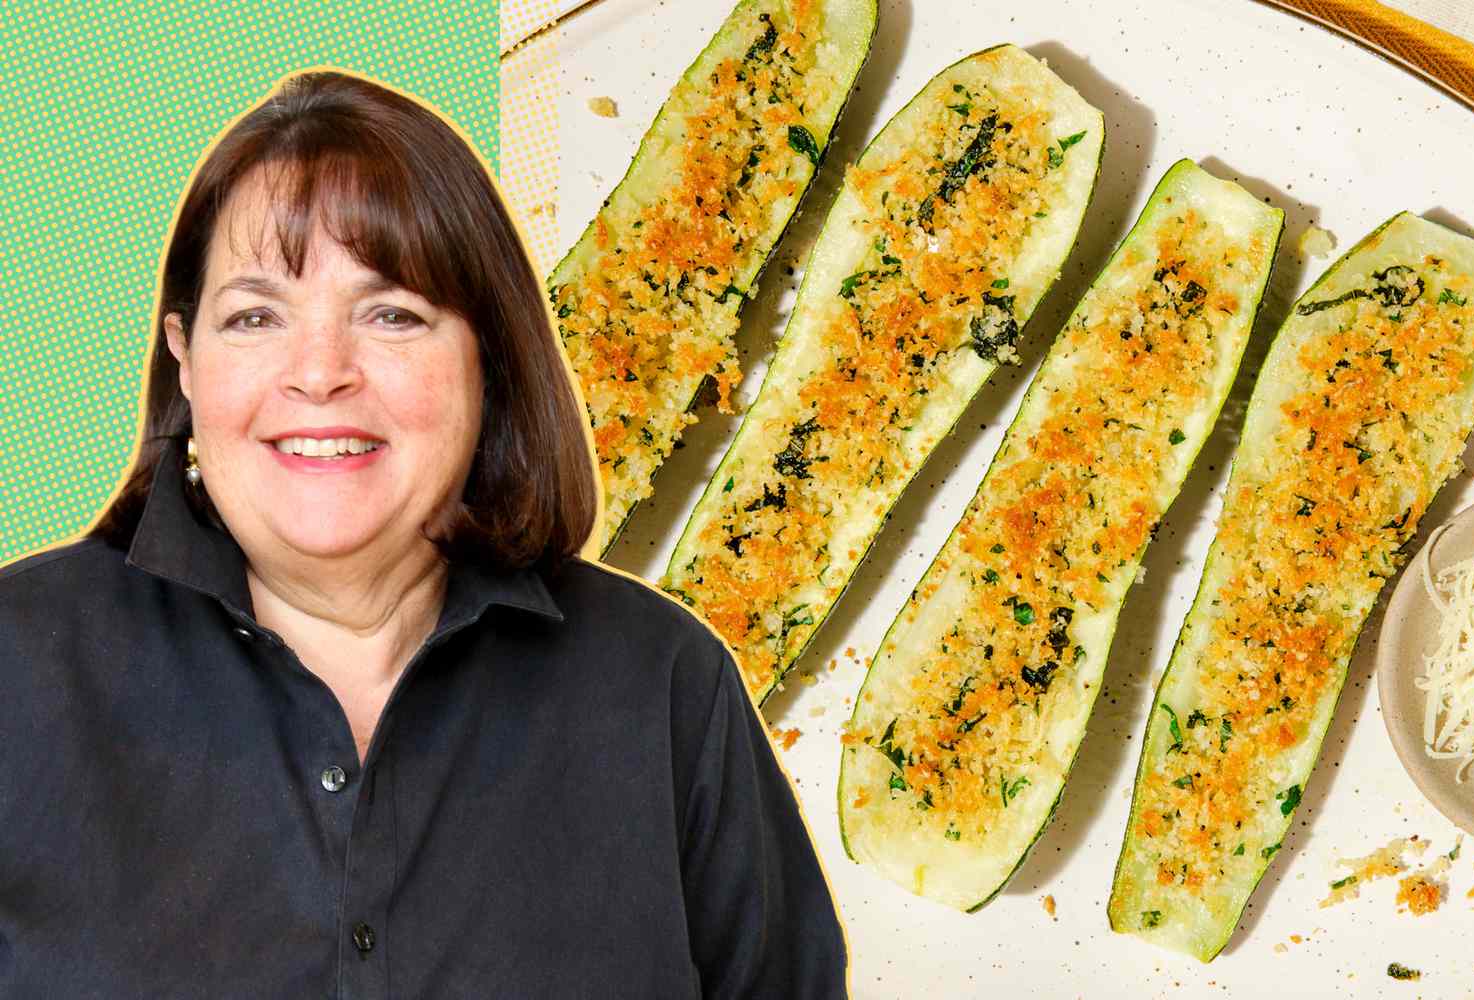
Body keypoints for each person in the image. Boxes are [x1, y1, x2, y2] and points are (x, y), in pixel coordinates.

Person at [0, 70, 847, 998]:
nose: (319, 372)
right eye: (253, 317)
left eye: (392, 314)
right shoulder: (18, 671)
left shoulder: (666, 689)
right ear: (185, 362)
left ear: (490, 357)